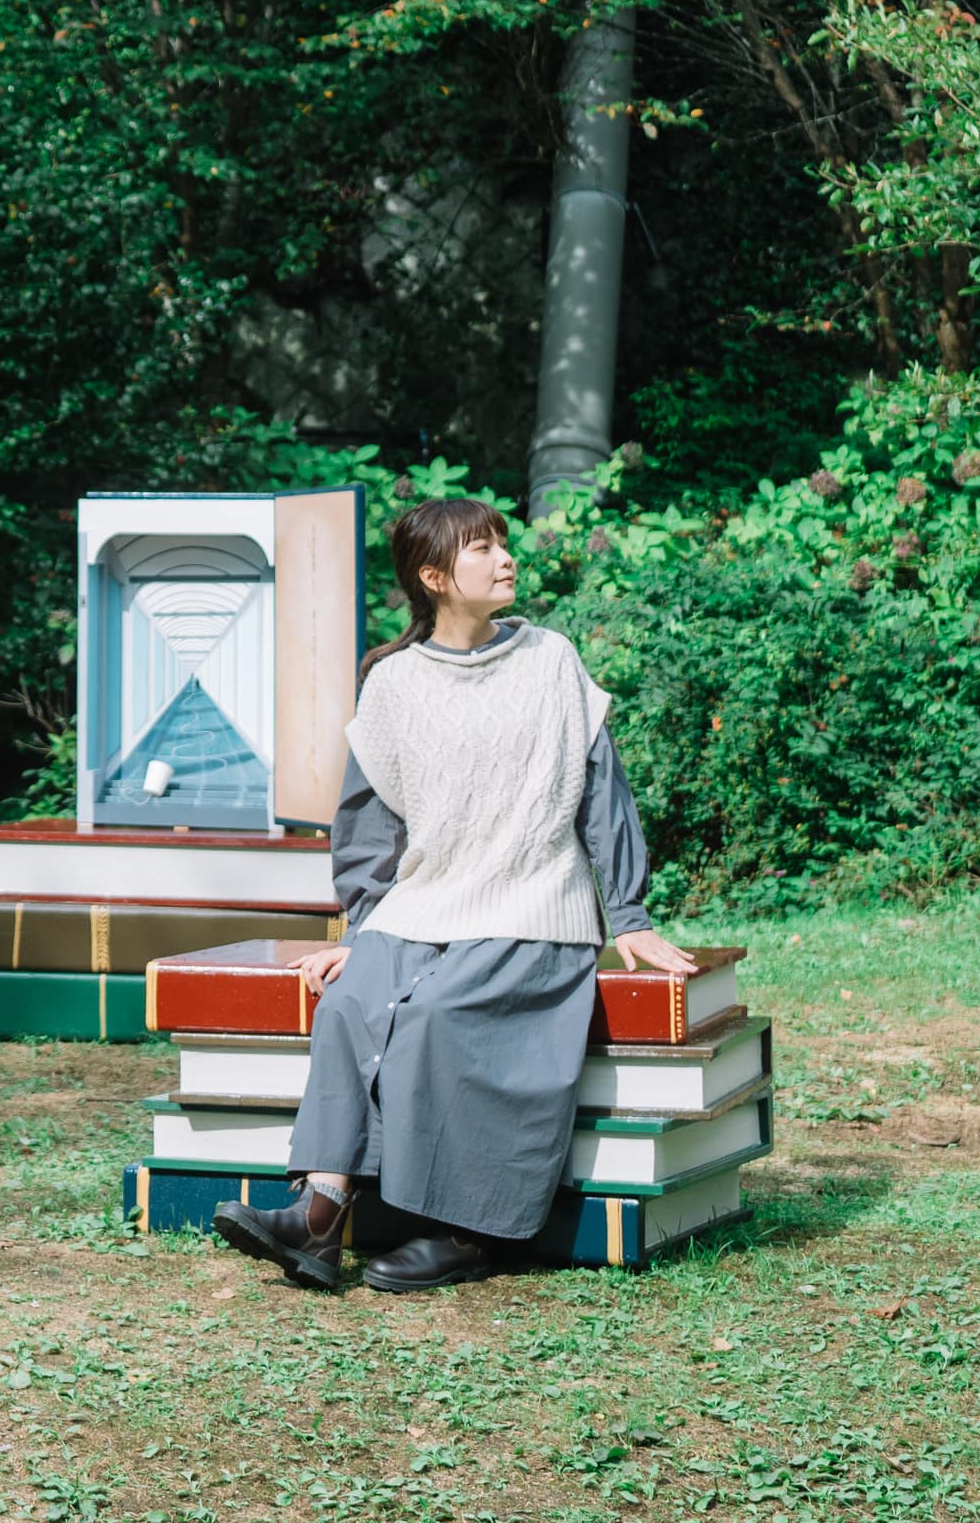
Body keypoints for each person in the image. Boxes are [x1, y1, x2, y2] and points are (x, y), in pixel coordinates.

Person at [214, 497, 694, 1293]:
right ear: (435, 577)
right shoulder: (393, 682)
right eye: (482, 549)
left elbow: (602, 793)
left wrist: (630, 915)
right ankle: (320, 1218)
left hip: (532, 902)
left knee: (439, 1017)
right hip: (421, 906)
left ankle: (470, 1236)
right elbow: (366, 826)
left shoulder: (552, 660)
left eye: (503, 542)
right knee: (347, 1007)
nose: (506, 558)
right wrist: (361, 933)